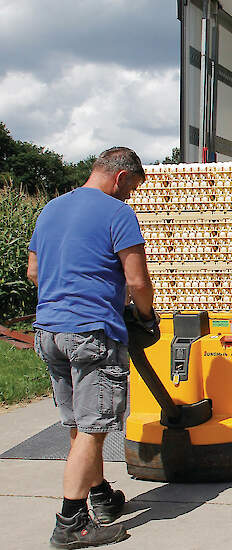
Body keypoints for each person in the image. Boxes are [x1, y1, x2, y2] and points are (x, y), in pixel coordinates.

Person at [27, 146, 156, 549]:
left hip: (49, 331)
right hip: (91, 334)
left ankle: (101, 498)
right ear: (120, 178)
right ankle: (71, 523)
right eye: (131, 188)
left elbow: (33, 271)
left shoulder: (52, 208)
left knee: (79, 425)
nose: (130, 196)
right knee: (93, 428)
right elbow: (136, 282)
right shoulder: (118, 213)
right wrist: (146, 317)